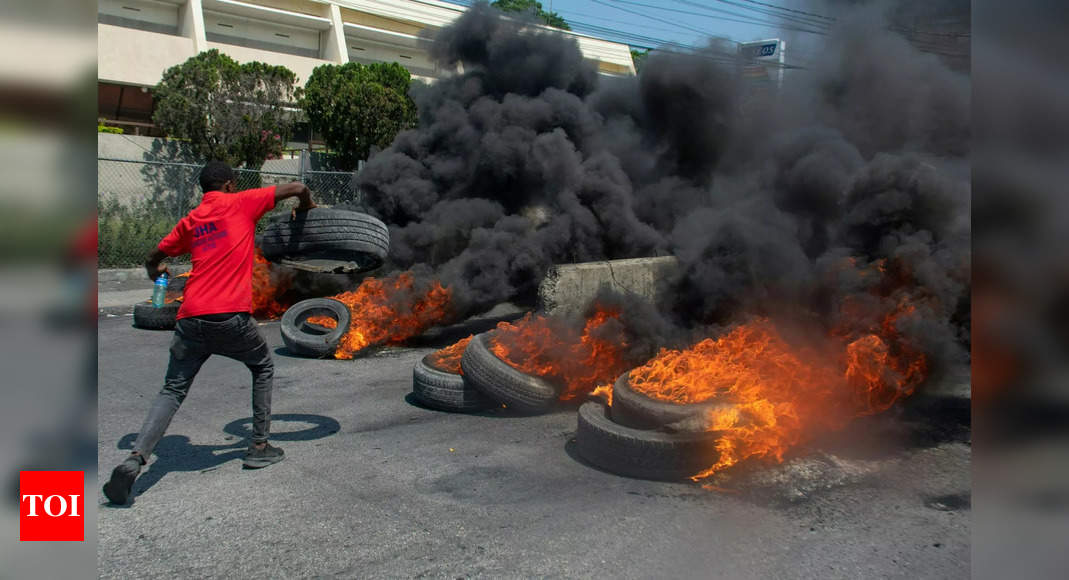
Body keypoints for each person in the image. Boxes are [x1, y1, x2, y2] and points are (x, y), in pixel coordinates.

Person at [103, 161, 315, 505]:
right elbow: (296, 187)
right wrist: (307, 207)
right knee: (262, 366)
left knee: (172, 389)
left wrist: (155, 271)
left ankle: (135, 459)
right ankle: (259, 446)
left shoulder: (193, 219)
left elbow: (155, 255)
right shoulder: (241, 202)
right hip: (230, 316)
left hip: (190, 319)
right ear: (230, 184)